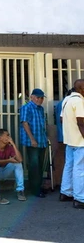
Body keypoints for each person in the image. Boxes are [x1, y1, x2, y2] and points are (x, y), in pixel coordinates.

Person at [0, 129, 26, 205]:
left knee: (18, 164)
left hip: (2, 172)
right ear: (0, 138)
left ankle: (20, 190)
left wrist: (13, 144)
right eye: (7, 135)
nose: (9, 137)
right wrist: (8, 160)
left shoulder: (9, 147)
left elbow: (20, 159)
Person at [59, 79, 84, 209]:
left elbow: (61, 119)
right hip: (80, 141)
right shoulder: (79, 101)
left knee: (69, 166)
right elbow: (81, 122)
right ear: (81, 88)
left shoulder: (66, 100)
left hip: (69, 141)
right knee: (80, 169)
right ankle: (80, 198)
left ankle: (65, 192)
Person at [19, 88, 47, 198]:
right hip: (33, 142)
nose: (40, 99)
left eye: (41, 98)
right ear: (32, 97)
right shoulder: (26, 107)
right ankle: (35, 190)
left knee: (39, 165)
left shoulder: (40, 109)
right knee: (34, 165)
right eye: (37, 97)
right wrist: (32, 139)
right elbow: (25, 123)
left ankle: (37, 187)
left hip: (41, 140)